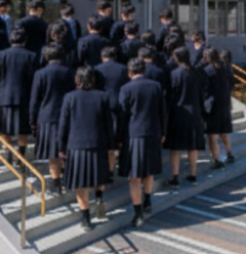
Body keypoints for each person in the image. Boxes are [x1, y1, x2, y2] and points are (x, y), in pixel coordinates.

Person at [58, 66, 114, 231]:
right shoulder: (103, 96)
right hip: (98, 144)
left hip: (76, 145)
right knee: (98, 176)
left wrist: (61, 146)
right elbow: (109, 124)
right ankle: (98, 196)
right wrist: (111, 145)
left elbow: (63, 125)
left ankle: (86, 218)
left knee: (80, 184)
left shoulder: (69, 97)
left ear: (77, 80)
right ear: (94, 80)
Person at [119, 56, 166, 227]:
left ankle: (138, 213)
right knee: (148, 171)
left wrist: (119, 138)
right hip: (153, 132)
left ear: (130, 71)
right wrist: (163, 132)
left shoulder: (126, 88)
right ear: (144, 71)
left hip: (133, 135)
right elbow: (162, 111)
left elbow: (122, 115)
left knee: (134, 176)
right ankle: (148, 199)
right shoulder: (156, 86)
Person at [30, 44, 76, 193]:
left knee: (52, 152)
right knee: (67, 149)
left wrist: (32, 119)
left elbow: (35, 99)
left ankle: (55, 182)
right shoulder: (70, 72)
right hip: (68, 115)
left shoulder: (40, 73)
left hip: (47, 116)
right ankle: (68, 177)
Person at [0, 28, 40, 162]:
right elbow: (35, 76)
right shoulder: (32, 55)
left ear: (10, 40)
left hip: (5, 96)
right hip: (24, 97)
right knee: (22, 131)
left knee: (5, 130)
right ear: (25, 41)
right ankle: (21, 157)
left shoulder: (2, 54)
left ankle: (6, 153)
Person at [164, 47, 205, 188]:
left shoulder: (174, 74)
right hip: (194, 112)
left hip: (178, 113)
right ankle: (192, 174)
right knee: (192, 146)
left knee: (175, 147)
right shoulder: (196, 73)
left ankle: (175, 177)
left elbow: (170, 96)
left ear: (177, 58)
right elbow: (201, 95)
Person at [95, 45, 129, 180]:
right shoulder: (123, 68)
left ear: (103, 56)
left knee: (106, 139)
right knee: (119, 138)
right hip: (119, 106)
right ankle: (121, 165)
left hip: (103, 107)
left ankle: (108, 170)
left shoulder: (97, 69)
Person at [202, 48, 234, 168]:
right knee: (223, 131)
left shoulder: (207, 71)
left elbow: (204, 89)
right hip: (224, 103)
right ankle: (229, 153)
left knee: (212, 134)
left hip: (212, 105)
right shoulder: (225, 68)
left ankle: (216, 159)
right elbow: (230, 83)